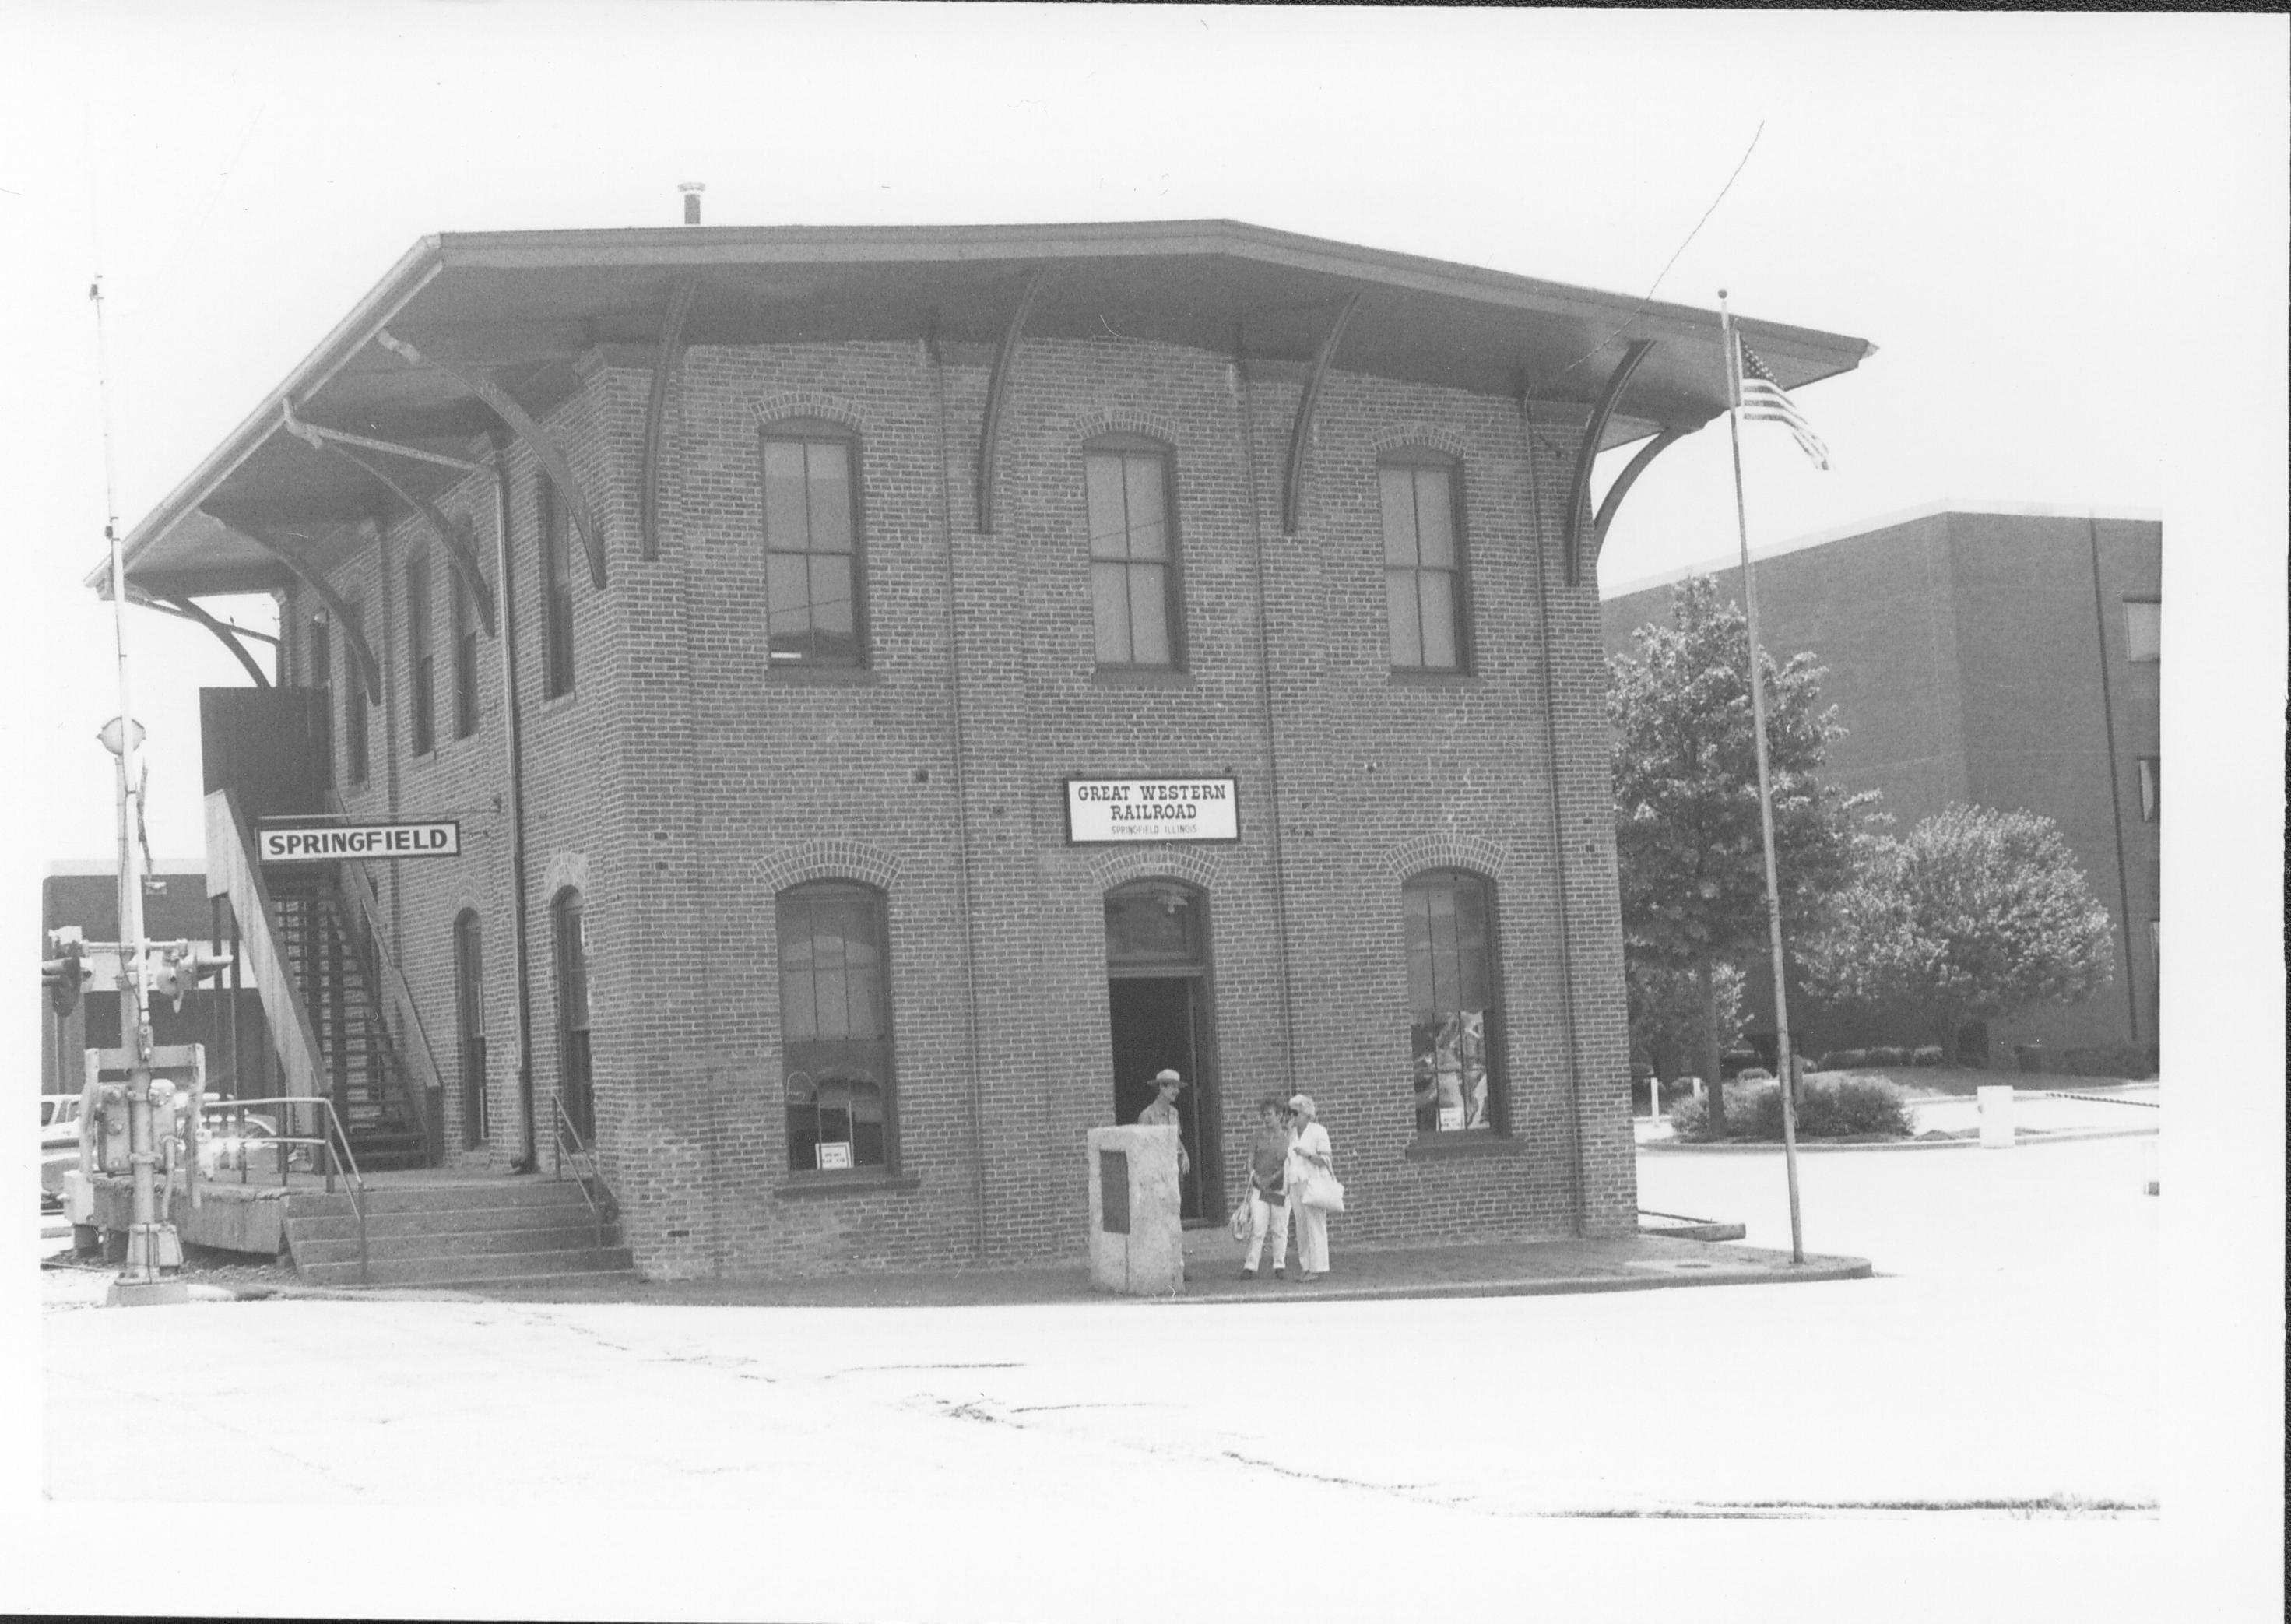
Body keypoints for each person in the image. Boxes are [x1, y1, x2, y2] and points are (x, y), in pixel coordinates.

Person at [1240, 1094, 1292, 1280]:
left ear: (1279, 1115)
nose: (1266, 1118)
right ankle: (1250, 1266)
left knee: (1279, 1227)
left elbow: (1289, 1163)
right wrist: (1254, 1176)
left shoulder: (1288, 1137)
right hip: (1259, 1189)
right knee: (1258, 1227)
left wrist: (1273, 1178)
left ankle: (1280, 1265)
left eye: (1269, 1114)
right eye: (1264, 1115)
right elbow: (1249, 1160)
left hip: (1279, 1189)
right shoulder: (1257, 1137)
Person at [1284, 1093, 1334, 1282]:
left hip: (1313, 1181)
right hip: (1296, 1182)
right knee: (1301, 1226)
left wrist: (1307, 1155)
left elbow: (1326, 1159)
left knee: (1315, 1224)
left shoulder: (1318, 1131)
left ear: (1306, 1113)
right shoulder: (1292, 1134)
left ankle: (1318, 1267)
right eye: (1290, 1113)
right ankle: (1306, 1266)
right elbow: (1285, 1156)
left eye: (1295, 1112)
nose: (1292, 1117)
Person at [1137, 1068, 1189, 1178]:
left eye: (1178, 1087)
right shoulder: (1147, 1115)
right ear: (1162, 1087)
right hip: (1158, 1172)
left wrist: (1185, 1154)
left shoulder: (1174, 1113)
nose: (1178, 1091)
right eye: (1174, 1086)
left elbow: (1176, 1138)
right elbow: (1141, 1149)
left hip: (1176, 1169)